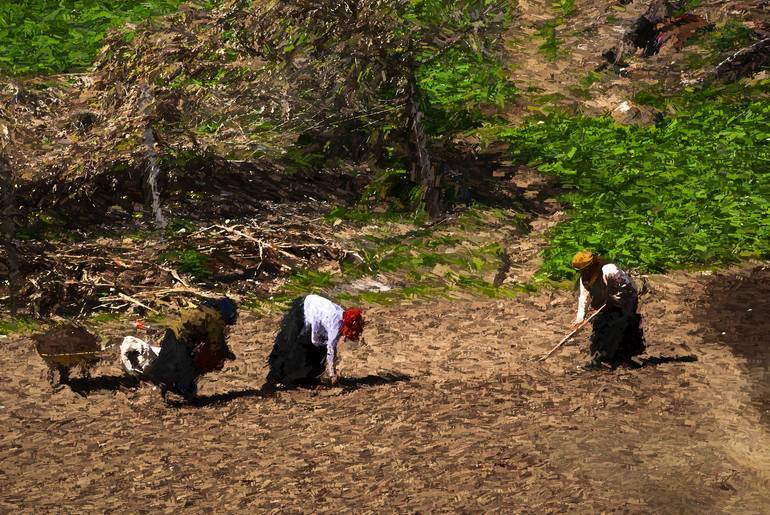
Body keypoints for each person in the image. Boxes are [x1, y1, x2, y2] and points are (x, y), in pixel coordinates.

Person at [120, 297, 238, 401]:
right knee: (182, 370)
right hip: (180, 339)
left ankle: (152, 384)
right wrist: (222, 354)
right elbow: (215, 343)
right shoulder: (216, 319)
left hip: (172, 334)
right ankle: (173, 391)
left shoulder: (206, 311)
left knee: (166, 363)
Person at [266, 294, 364, 388]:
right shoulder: (335, 326)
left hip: (311, 313)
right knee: (289, 345)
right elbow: (327, 348)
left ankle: (305, 378)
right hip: (302, 309)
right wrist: (333, 375)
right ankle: (278, 377)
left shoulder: (340, 316)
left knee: (313, 348)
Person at [571, 251, 645, 369]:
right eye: (580, 270)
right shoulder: (585, 279)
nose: (582, 272)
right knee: (600, 326)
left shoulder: (609, 270)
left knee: (621, 325)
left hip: (625, 299)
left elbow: (625, 288)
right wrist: (580, 319)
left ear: (591, 265)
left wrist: (612, 301)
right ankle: (602, 359)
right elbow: (584, 298)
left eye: (584, 269)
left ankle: (624, 358)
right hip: (606, 303)